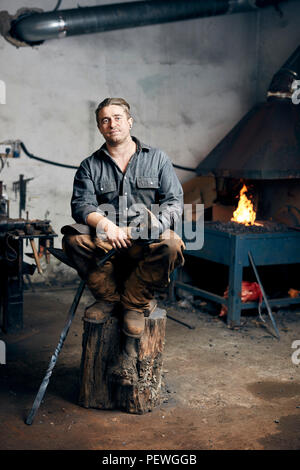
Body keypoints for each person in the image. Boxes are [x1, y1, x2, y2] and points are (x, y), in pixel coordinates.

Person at [62, 98, 185, 370]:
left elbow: (175, 201)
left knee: (173, 245)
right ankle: (110, 298)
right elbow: (81, 206)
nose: (112, 123)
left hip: (145, 240)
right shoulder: (90, 166)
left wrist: (155, 226)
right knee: (73, 239)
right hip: (109, 240)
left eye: (117, 117)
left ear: (130, 121)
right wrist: (107, 226)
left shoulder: (157, 159)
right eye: (105, 120)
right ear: (100, 127)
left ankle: (134, 302)